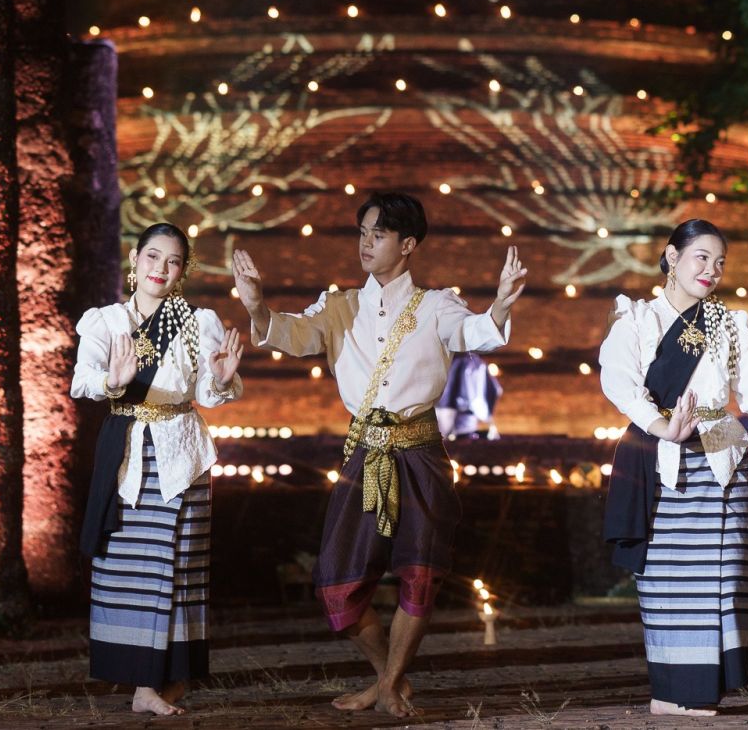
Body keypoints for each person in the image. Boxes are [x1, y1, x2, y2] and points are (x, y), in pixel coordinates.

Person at [231, 192, 526, 718]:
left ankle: (387, 686)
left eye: (379, 234)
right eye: (362, 233)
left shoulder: (437, 305)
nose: (366, 243)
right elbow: (293, 334)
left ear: (408, 244)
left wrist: (501, 302)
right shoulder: (338, 306)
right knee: (336, 584)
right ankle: (389, 678)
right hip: (363, 454)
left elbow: (474, 332)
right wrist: (256, 306)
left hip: (421, 454)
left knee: (420, 573)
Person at [598, 218, 748, 718]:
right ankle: (671, 692)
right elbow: (620, 382)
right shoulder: (638, 320)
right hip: (664, 457)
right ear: (672, 257)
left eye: (720, 262)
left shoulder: (729, 324)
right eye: (701, 257)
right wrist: (661, 426)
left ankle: (706, 689)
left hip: (724, 452)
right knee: (673, 577)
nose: (712, 270)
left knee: (725, 574)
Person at [72, 222, 245, 717]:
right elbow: (82, 382)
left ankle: (171, 677)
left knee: (179, 564)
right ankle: (143, 684)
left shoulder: (198, 322)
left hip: (181, 455)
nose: (160, 269)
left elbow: (209, 393)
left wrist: (221, 380)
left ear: (182, 271)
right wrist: (113, 379)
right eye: (152, 256)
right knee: (133, 566)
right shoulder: (106, 321)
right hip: (127, 456)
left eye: (172, 261)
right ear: (135, 259)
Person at [434, 353, 502, 439]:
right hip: (465, 410)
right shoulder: (476, 362)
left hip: (443, 406)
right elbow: (495, 389)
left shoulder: (442, 358)